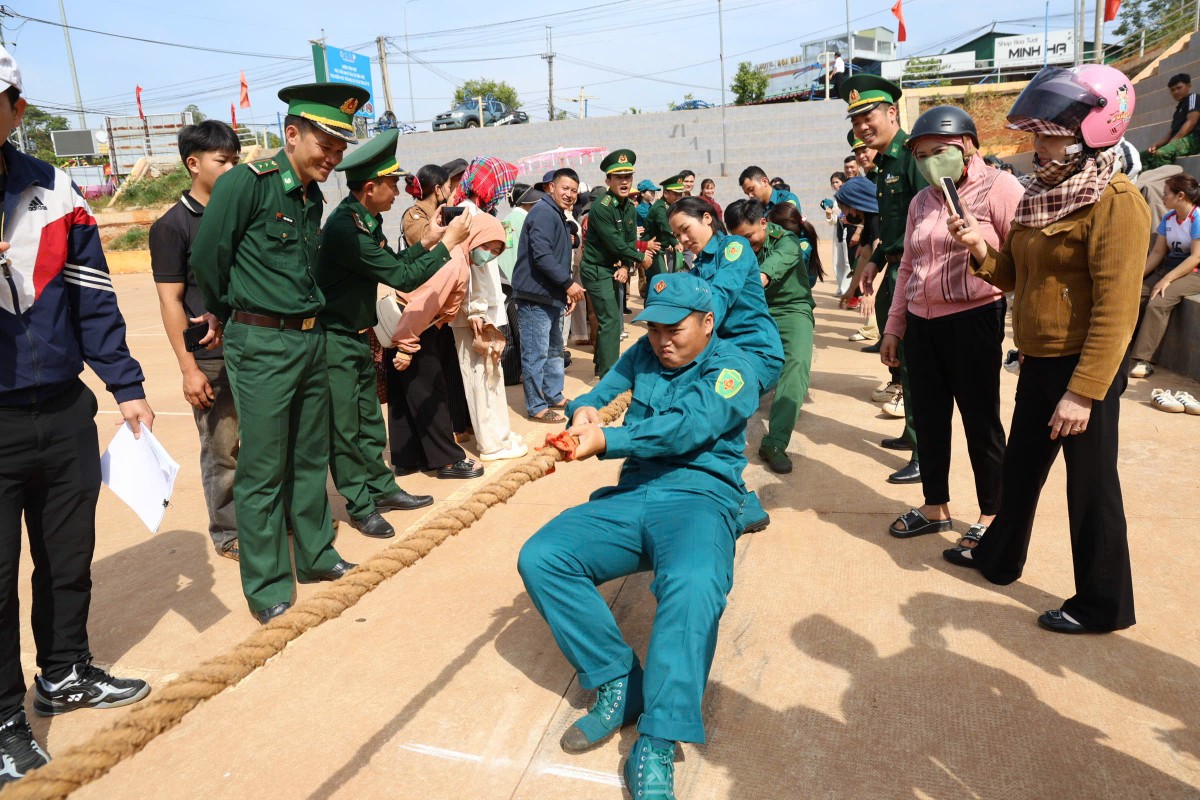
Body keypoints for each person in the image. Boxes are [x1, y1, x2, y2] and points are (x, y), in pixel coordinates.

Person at [517, 273, 761, 800]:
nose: (661, 340)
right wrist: (585, 411)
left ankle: (658, 733)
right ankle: (617, 678)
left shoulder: (734, 368)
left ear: (707, 322)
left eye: (673, 329)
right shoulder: (647, 351)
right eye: (652, 328)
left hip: (701, 497)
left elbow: (687, 427)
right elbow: (604, 389)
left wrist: (606, 438)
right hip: (634, 494)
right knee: (543, 557)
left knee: (694, 584)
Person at [945, 64, 1149, 635]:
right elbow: (1013, 275)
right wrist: (979, 247)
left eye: (1050, 133)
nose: (1038, 145)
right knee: (1021, 470)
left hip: (1085, 369)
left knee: (1090, 488)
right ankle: (1000, 558)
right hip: (1039, 358)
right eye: (1036, 133)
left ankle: (1102, 605)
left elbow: (1116, 308)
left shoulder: (1115, 201)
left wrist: (1084, 394)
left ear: (1096, 129)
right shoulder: (1042, 193)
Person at [0, 46, 154, 784]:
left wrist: (125, 383)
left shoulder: (55, 190)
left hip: (62, 409)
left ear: (16, 108)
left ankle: (64, 671)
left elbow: (93, 295)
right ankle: (2, 718)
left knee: (67, 556)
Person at [192, 83, 365, 624]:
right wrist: (241, 313)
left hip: (312, 338)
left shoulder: (312, 196)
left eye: (340, 151)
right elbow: (208, 259)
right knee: (263, 464)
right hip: (262, 341)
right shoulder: (248, 183)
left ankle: (315, 555)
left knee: (310, 457)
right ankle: (267, 582)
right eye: (327, 146)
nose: (333, 159)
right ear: (292, 135)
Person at [877, 106, 1023, 545]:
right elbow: (907, 267)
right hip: (922, 323)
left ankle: (993, 512)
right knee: (930, 417)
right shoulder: (922, 201)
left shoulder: (1001, 188)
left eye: (938, 152)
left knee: (981, 421)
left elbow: (1021, 262)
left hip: (974, 319)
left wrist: (979, 245)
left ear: (968, 147)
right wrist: (894, 326)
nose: (928, 163)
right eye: (920, 156)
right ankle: (935, 505)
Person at [315, 130, 471, 540]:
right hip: (333, 337)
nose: (401, 188)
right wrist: (447, 247)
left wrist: (430, 242)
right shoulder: (347, 229)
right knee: (345, 430)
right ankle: (360, 505)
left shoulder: (366, 219)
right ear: (371, 187)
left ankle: (382, 489)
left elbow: (396, 262)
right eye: (393, 181)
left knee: (369, 422)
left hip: (355, 333)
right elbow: (400, 276)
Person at [150, 120, 241, 561]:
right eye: (222, 161)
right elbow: (171, 301)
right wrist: (188, 368)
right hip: (208, 357)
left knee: (261, 442)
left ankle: (265, 519)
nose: (231, 168)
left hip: (250, 348)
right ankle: (229, 531)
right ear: (193, 163)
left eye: (235, 160)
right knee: (222, 447)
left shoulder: (239, 212)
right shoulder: (173, 226)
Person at [669, 196, 783, 533]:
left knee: (717, 423)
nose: (682, 240)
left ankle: (744, 506)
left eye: (685, 229)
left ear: (707, 218)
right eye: (676, 235)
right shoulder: (697, 267)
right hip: (723, 357)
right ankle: (716, 497)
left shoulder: (733, 248)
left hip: (754, 352)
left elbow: (718, 297)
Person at [844, 73, 928, 485]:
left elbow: (927, 223)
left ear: (892, 112)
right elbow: (894, 228)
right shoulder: (887, 164)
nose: (862, 128)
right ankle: (913, 435)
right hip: (898, 266)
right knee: (906, 362)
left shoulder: (912, 157)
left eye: (868, 117)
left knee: (916, 365)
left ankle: (926, 454)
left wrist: (898, 265)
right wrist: (877, 261)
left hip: (916, 273)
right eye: (855, 121)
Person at [391, 164, 478, 479]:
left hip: (418, 317)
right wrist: (406, 343)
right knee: (431, 390)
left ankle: (407, 457)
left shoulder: (446, 234)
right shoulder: (422, 224)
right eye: (451, 185)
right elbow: (426, 283)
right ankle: (446, 460)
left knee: (408, 393)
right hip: (418, 318)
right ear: (439, 187)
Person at [725, 200, 816, 475]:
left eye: (750, 237)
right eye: (738, 239)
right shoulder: (734, 247)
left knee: (796, 366)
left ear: (763, 223)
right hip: (756, 310)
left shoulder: (787, 241)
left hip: (791, 310)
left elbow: (765, 274)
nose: (746, 244)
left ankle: (775, 443)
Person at [513, 168, 585, 422]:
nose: (569, 194)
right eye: (565, 188)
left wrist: (564, 290)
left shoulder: (557, 214)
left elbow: (557, 256)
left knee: (555, 349)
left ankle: (554, 394)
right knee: (536, 353)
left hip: (551, 294)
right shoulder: (544, 212)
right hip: (535, 296)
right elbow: (542, 256)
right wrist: (568, 284)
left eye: (574, 190)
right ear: (551, 187)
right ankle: (536, 406)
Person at [580, 149, 659, 377]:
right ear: (608, 180)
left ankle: (601, 365)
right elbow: (615, 243)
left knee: (610, 320)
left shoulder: (629, 209)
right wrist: (640, 258)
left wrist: (626, 266)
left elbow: (627, 242)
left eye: (628, 177)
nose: (624, 181)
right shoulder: (601, 208)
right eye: (618, 177)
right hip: (596, 269)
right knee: (612, 321)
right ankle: (609, 374)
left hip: (613, 269)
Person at [1129, 173, 1200, 378]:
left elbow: (1195, 257)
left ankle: (1144, 359)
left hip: (1194, 273)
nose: (1162, 198)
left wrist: (1167, 279)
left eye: (1166, 194)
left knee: (1158, 301)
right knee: (1133, 294)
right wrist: (1135, 278)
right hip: (1168, 269)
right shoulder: (1169, 218)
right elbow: (1158, 253)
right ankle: (1119, 347)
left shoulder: (1197, 218)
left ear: (1180, 196)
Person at [1140, 73, 1199, 170]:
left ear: (1188, 86)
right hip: (1179, 140)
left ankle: (1158, 181)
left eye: (1179, 88)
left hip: (1193, 139)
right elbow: (1171, 132)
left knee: (1162, 153)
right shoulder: (1178, 109)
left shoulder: (1193, 98)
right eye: (1172, 90)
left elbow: (1192, 121)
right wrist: (1156, 145)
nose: (1176, 92)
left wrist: (1173, 141)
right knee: (1143, 156)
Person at [642, 174, 685, 284]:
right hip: (651, 248)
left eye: (680, 194)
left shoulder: (669, 206)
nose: (679, 197)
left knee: (654, 281)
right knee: (662, 279)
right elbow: (666, 227)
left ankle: (651, 301)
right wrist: (675, 242)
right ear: (666, 193)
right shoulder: (660, 208)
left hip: (659, 248)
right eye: (676, 194)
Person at [495, 182, 534, 283]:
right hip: (523, 278)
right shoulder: (528, 221)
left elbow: (506, 254)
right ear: (526, 201)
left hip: (507, 277)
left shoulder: (507, 220)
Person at [825, 172, 854, 298]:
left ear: (843, 182)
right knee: (837, 261)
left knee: (848, 261)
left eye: (837, 182)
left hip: (849, 230)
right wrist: (829, 214)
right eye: (833, 183)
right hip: (838, 231)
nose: (835, 185)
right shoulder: (835, 198)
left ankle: (846, 289)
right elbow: (834, 220)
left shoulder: (849, 194)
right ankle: (841, 286)